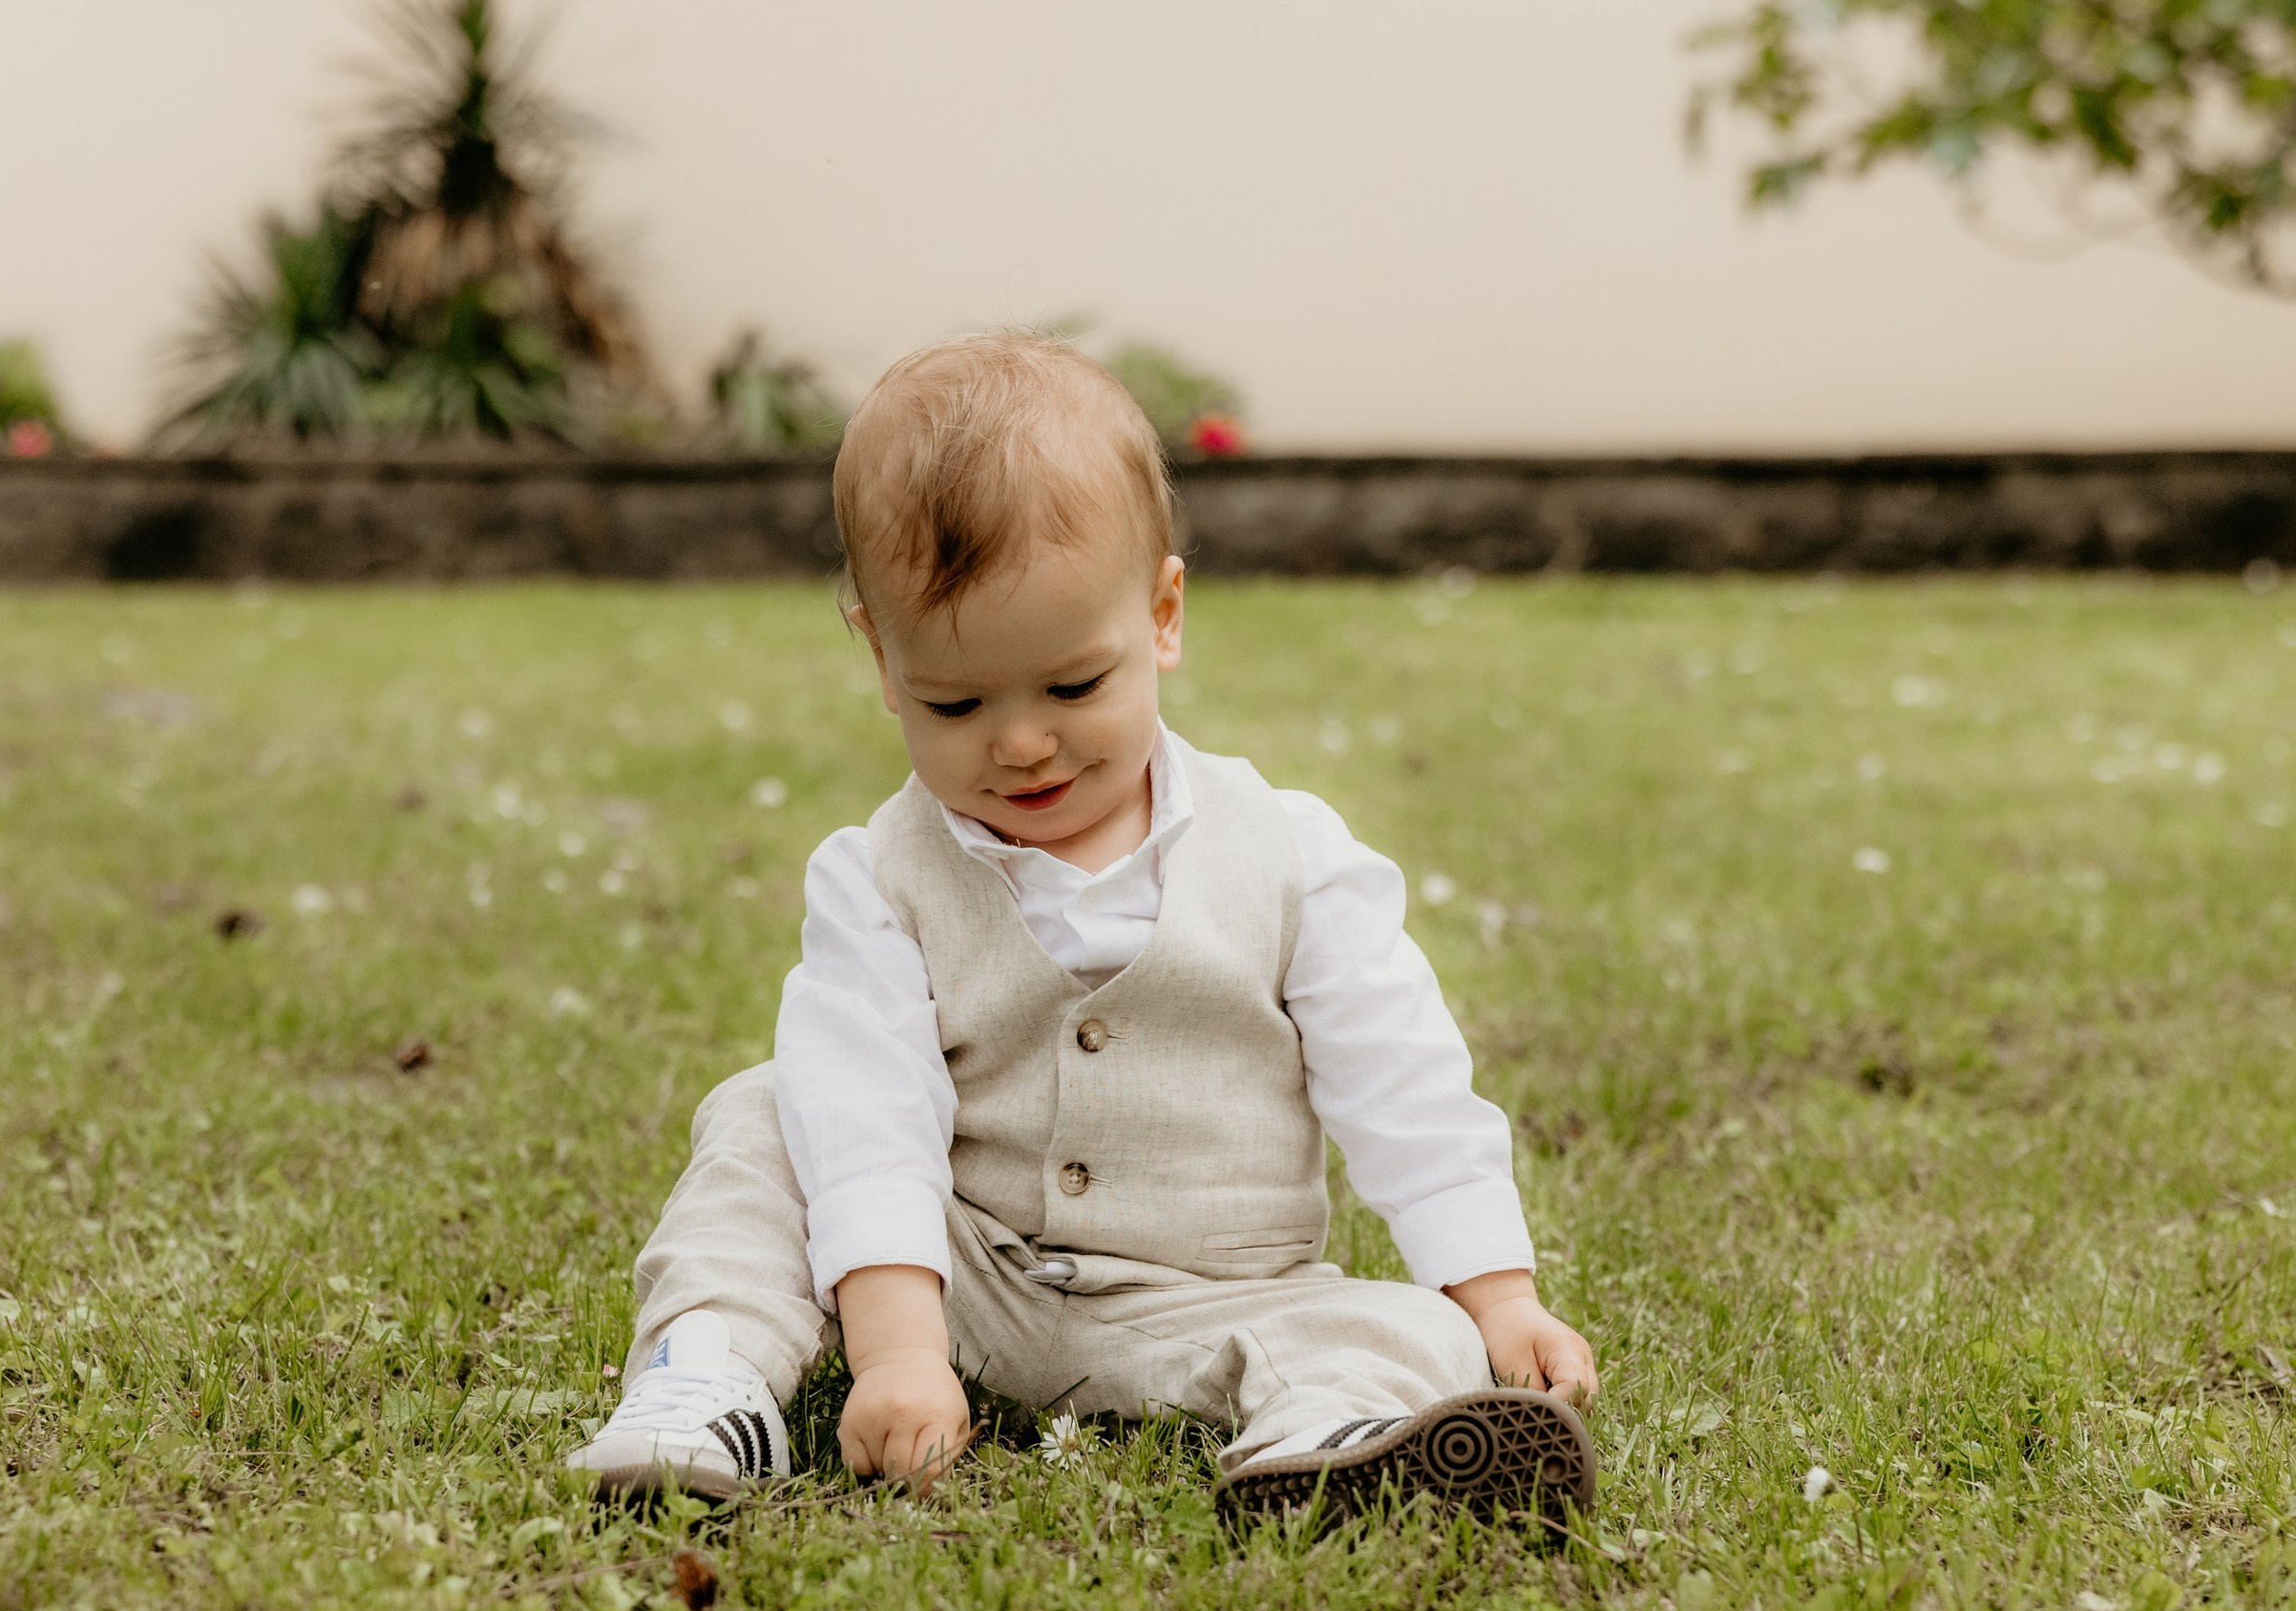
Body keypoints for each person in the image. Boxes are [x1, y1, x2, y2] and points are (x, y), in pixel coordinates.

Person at [568, 330, 1598, 1522]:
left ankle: (1324, 1442)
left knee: (1410, 1328)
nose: (1020, 742)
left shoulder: (1290, 855)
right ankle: (708, 1381)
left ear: (1161, 617)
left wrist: (1498, 1295)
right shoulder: (876, 879)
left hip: (1211, 1300)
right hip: (965, 1277)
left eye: (1071, 688)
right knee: (769, 1111)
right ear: (883, 662)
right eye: (956, 701)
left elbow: (1404, 1085)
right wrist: (899, 1347)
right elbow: (869, 1117)